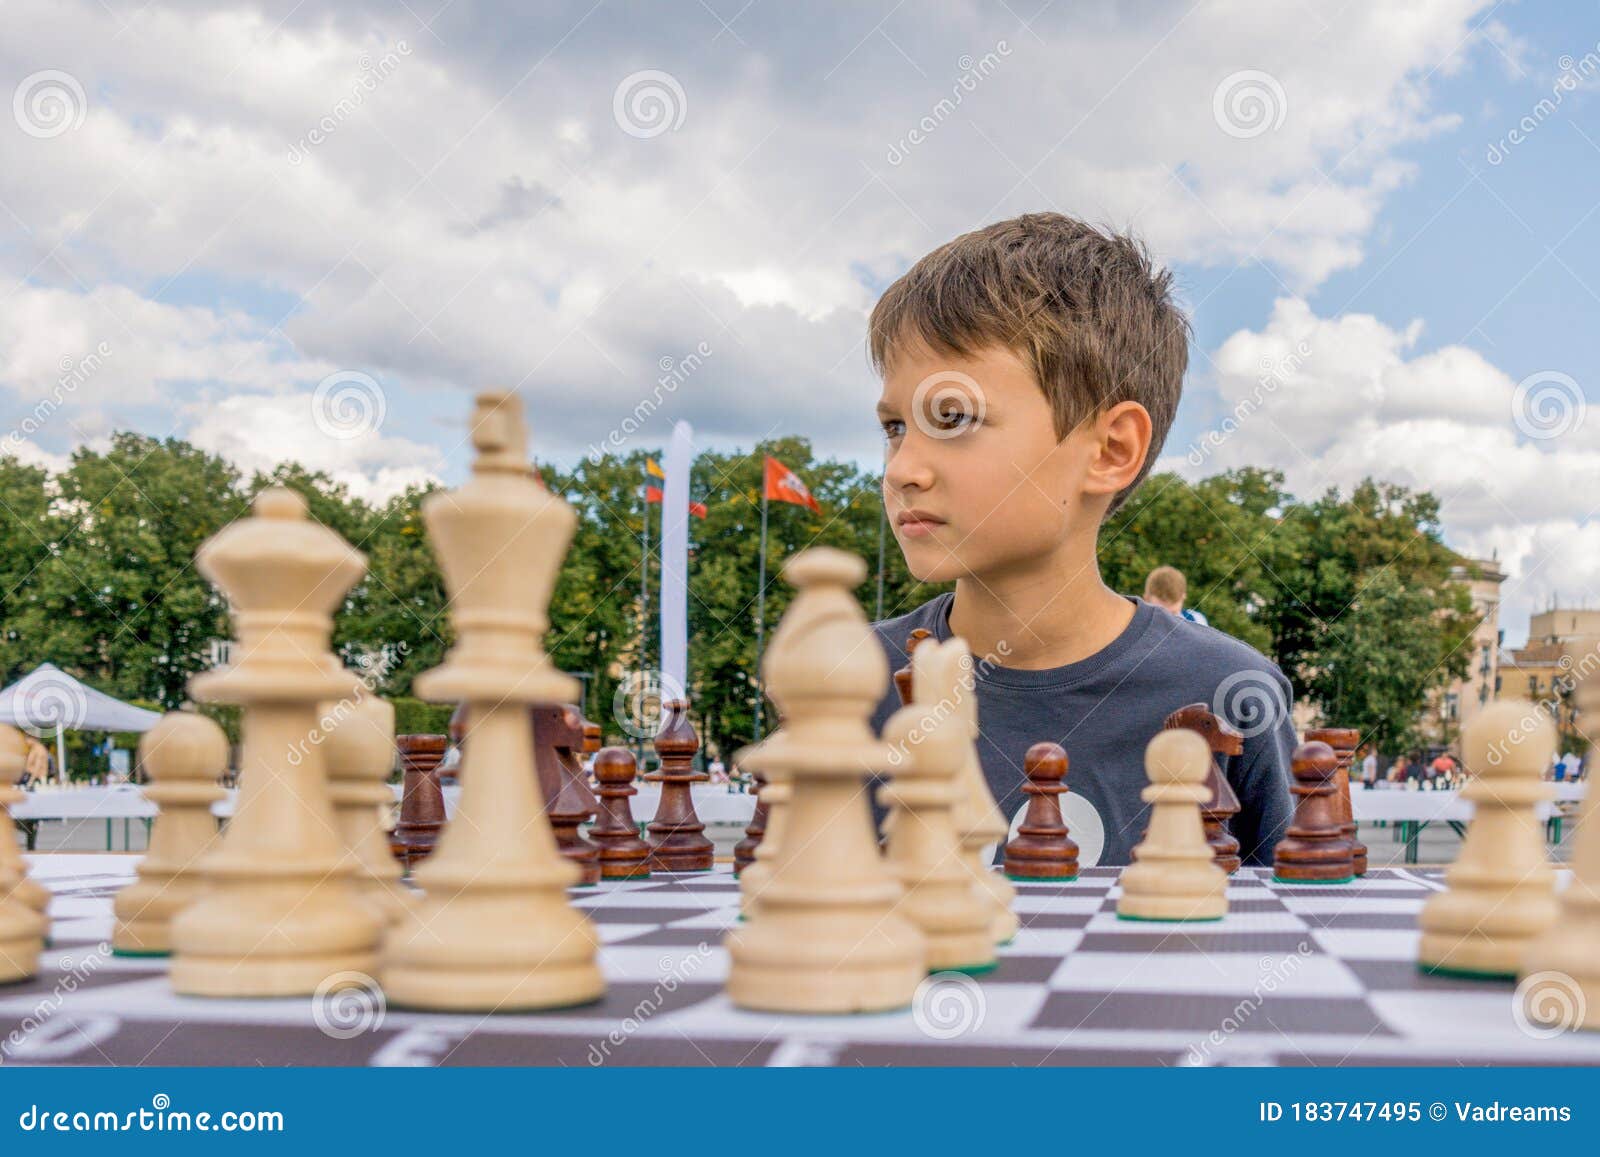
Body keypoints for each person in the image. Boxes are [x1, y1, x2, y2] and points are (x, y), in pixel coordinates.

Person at [866, 213, 1294, 867]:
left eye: (952, 418)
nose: (901, 469)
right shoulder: (848, 684)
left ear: (1110, 451)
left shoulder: (1231, 691)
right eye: (896, 426)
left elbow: (1282, 941)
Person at [1143, 566, 1208, 626]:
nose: (1167, 620)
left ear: (1183, 597)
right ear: (1146, 599)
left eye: (1173, 613)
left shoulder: (1197, 620)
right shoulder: (1136, 624)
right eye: (1161, 613)